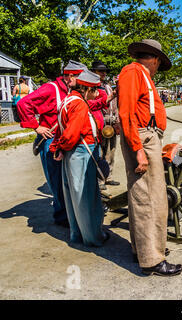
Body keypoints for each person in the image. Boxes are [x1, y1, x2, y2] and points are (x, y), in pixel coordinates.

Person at [117, 39, 182, 276]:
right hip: (142, 138)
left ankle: (145, 249)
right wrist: (138, 149)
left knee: (149, 197)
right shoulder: (132, 72)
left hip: (147, 137)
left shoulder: (140, 75)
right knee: (148, 199)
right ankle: (152, 260)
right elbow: (125, 113)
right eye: (158, 64)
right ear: (155, 60)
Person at [16, 60, 87, 228]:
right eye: (81, 77)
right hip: (50, 140)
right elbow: (22, 103)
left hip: (63, 139)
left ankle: (69, 213)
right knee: (56, 181)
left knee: (67, 180)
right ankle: (62, 216)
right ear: (71, 76)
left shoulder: (70, 90)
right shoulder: (50, 88)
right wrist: (36, 126)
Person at [50, 70, 109, 247]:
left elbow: (61, 130)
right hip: (82, 150)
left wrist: (58, 147)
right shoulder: (80, 105)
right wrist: (62, 145)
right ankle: (93, 237)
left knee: (73, 197)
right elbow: (71, 134)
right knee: (86, 197)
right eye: (94, 89)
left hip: (72, 152)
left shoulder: (67, 100)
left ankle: (77, 234)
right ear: (86, 88)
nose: (97, 93)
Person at [91, 61, 120, 188]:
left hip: (112, 121)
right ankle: (100, 179)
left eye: (105, 71)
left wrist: (117, 119)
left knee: (111, 151)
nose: (104, 73)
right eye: (100, 71)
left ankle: (108, 176)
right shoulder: (92, 86)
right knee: (102, 152)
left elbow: (115, 104)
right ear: (94, 72)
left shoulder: (107, 85)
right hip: (101, 120)